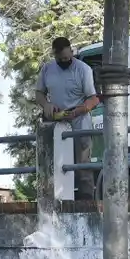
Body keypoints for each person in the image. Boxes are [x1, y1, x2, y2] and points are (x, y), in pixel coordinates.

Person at [36, 36, 101, 199]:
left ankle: (86, 200)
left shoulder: (83, 69)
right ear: (54, 55)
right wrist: (46, 105)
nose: (65, 61)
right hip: (56, 123)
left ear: (72, 52)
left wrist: (81, 109)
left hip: (80, 121)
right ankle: (57, 198)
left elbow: (94, 98)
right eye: (61, 59)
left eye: (67, 58)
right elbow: (39, 94)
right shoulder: (47, 69)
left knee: (83, 164)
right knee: (55, 164)